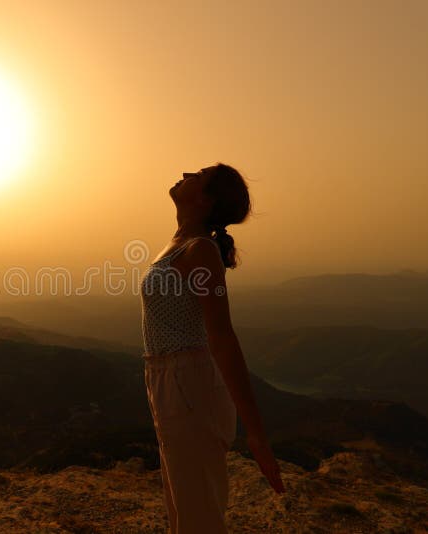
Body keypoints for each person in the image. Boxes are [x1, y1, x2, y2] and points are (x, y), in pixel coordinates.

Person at [140, 163, 285, 533]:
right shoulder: (181, 243)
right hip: (169, 380)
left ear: (205, 199)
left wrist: (256, 434)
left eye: (198, 175)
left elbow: (222, 337)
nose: (186, 172)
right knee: (183, 506)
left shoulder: (200, 250)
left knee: (197, 514)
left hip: (190, 384)